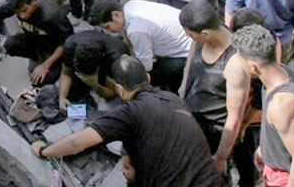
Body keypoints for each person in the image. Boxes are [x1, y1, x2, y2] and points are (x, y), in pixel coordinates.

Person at [30, 55, 224, 187]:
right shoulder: (172, 98)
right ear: (147, 78)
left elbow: (76, 142)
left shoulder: (128, 113)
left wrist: (43, 150)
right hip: (211, 180)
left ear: (119, 88)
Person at [178, 0, 258, 184]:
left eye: (190, 34)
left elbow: (234, 117)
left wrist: (221, 157)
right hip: (192, 122)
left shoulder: (236, 61)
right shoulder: (197, 40)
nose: (188, 37)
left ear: (205, 33)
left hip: (216, 131)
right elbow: (188, 73)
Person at [232, 24, 294, 187]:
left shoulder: (280, 105)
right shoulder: (281, 74)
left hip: (289, 178)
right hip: (278, 169)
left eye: (239, 59)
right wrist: (264, 148)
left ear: (253, 66)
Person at [90, 0, 192, 94]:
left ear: (115, 15)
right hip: (186, 37)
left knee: (153, 73)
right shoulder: (130, 5)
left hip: (186, 54)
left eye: (108, 27)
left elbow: (146, 65)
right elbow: (127, 39)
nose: (108, 32)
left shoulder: (136, 30)